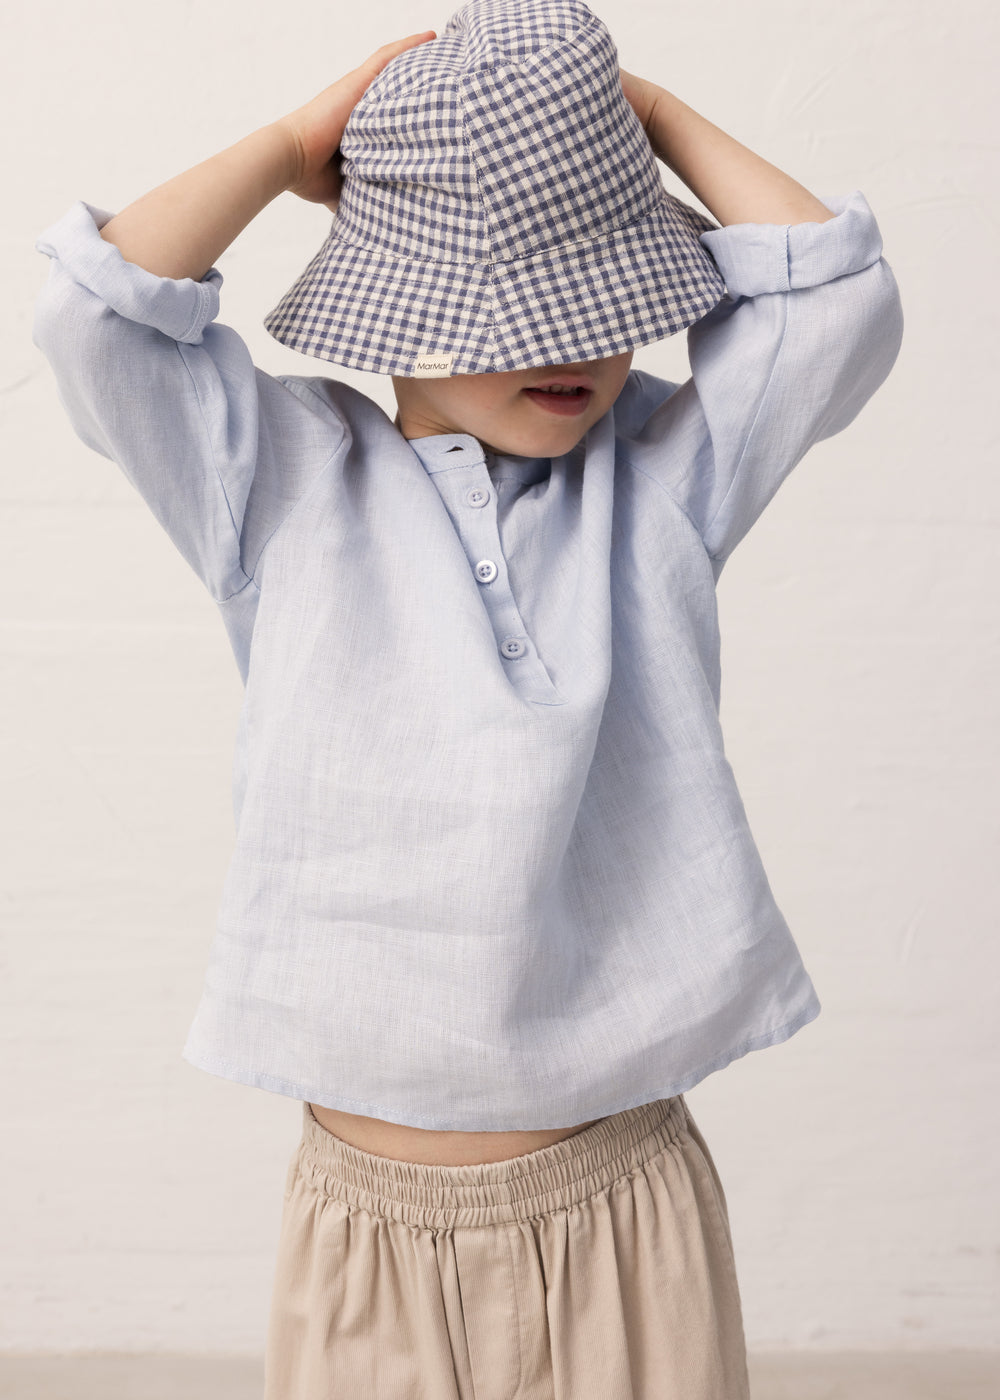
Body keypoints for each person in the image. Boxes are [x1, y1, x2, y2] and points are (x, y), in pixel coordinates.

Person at [31, 1, 903, 1396]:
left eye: (612, 301)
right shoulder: (281, 483)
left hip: (625, 1202)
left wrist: (639, 117)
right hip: (368, 1224)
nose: (582, 348)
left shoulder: (664, 479)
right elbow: (92, 314)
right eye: (524, 310)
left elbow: (838, 301)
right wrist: (287, 144)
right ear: (399, 304)